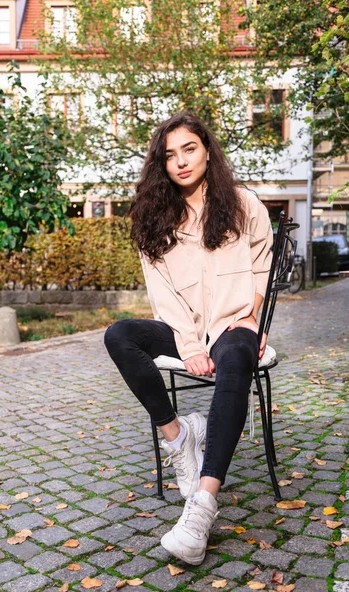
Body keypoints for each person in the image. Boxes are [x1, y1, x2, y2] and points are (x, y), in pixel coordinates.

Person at [104, 112, 273, 566]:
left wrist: (252, 315)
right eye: (169, 155)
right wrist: (191, 347)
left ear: (207, 150)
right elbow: (163, 297)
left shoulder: (242, 204)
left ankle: (202, 505)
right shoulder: (153, 218)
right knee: (120, 335)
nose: (180, 162)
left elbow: (263, 262)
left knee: (237, 354)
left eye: (189, 149)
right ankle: (179, 437)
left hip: (233, 321)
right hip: (183, 328)